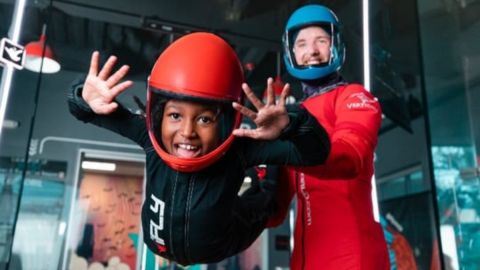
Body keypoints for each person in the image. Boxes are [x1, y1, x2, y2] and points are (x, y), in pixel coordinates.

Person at [68, 32, 331, 266]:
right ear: (159, 117)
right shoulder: (151, 137)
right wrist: (84, 96)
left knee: (263, 203)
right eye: (175, 116)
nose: (187, 132)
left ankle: (266, 185)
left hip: (226, 241)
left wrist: (292, 124)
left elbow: (315, 154)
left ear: (225, 123)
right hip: (157, 242)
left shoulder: (238, 148)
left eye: (204, 119)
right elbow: (83, 111)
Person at [264, 4, 390, 270]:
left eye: (321, 40)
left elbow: (350, 157)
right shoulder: (291, 115)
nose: (312, 51)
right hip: (305, 259)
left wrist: (290, 136)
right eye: (302, 44)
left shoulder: (354, 96)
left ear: (336, 46)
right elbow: (274, 211)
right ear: (292, 52)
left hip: (353, 257)